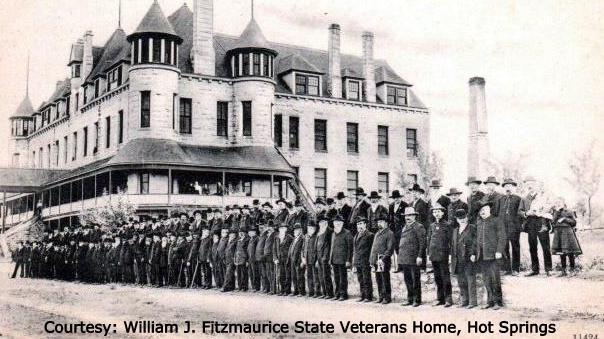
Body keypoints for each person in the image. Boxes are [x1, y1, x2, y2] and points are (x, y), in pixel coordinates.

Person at [519, 177, 553, 276]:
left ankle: (548, 269)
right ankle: (535, 269)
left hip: (542, 222)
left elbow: (549, 208)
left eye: (532, 184)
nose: (530, 186)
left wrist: (542, 211)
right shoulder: (524, 198)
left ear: (535, 185)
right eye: (527, 184)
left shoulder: (542, 196)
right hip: (530, 223)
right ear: (525, 186)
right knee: (532, 246)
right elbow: (520, 211)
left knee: (545, 246)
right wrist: (526, 213)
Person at [475, 200, 506, 310]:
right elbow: (476, 240)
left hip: (493, 255)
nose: (482, 212)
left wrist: (499, 251)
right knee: (486, 279)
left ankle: (498, 302)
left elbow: (502, 237)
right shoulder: (478, 223)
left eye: (484, 209)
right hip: (482, 256)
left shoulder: (496, 221)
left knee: (495, 278)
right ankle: (490, 301)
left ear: (489, 210)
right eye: (480, 210)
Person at [398, 207, 426, 307]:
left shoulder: (419, 227)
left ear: (414, 216)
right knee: (407, 279)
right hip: (405, 258)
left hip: (414, 258)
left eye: (410, 215)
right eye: (406, 216)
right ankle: (410, 299)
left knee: (415, 280)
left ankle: (417, 300)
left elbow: (422, 243)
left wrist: (420, 256)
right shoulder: (404, 227)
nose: (408, 217)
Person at [427, 203, 453, 307]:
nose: (437, 213)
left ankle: (448, 299)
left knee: (445, 277)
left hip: (443, 255)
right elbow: (429, 240)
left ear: (442, 213)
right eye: (435, 212)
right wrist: (429, 253)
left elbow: (451, 241)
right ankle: (440, 298)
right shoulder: (432, 226)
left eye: (439, 211)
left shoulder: (447, 225)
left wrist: (450, 255)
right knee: (437, 277)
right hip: (434, 255)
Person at [450, 209, 478, 308]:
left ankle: (472, 302)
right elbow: (453, 245)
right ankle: (465, 300)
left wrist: (473, 253)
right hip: (457, 259)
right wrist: (452, 257)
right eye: (459, 218)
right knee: (461, 280)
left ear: (467, 218)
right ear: (457, 219)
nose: (462, 220)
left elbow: (475, 242)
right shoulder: (455, 230)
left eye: (463, 217)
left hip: (468, 258)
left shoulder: (472, 228)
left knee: (470, 279)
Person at [551, 201, 582, 276]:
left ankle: (572, 270)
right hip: (559, 232)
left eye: (560, 203)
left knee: (570, 251)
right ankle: (563, 271)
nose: (558, 205)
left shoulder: (570, 211)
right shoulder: (556, 212)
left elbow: (574, 222)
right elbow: (553, 222)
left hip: (567, 232)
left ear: (564, 204)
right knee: (561, 252)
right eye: (557, 204)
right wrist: (557, 213)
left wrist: (565, 219)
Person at [370, 213, 395, 304]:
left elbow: (390, 248)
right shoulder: (377, 233)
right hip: (376, 260)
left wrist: (383, 258)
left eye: (381, 222)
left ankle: (387, 297)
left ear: (386, 223)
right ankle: (381, 296)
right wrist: (372, 260)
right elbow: (373, 248)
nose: (379, 224)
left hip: (384, 260)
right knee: (378, 279)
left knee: (385, 279)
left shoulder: (389, 233)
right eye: (378, 222)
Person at [499, 178, 522, 275]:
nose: (508, 188)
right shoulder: (501, 199)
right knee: (504, 247)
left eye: (510, 186)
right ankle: (507, 268)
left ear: (513, 187)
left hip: (514, 227)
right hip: (503, 227)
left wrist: (518, 226)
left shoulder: (518, 199)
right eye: (506, 186)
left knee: (515, 247)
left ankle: (516, 269)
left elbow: (520, 213)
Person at [330, 215, 354, 301]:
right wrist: (330, 259)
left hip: (343, 260)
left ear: (342, 223)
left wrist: (348, 260)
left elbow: (350, 248)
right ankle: (337, 294)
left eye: (339, 223)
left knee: (342, 279)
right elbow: (332, 247)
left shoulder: (347, 233)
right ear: (333, 223)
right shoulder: (333, 234)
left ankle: (343, 295)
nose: (337, 224)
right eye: (336, 223)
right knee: (336, 278)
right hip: (334, 259)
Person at [352, 216, 375, 302]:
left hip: (366, 261)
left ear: (365, 224)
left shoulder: (370, 235)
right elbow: (354, 250)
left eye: (361, 223)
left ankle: (368, 296)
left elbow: (372, 250)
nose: (359, 226)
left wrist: (371, 261)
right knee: (360, 279)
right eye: (358, 224)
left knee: (366, 279)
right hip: (358, 261)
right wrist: (354, 263)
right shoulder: (356, 236)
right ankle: (362, 295)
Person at [316, 216, 334, 299]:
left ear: (326, 223)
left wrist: (325, 257)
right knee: (320, 275)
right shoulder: (319, 232)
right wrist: (317, 258)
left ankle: (329, 293)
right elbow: (316, 245)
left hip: (325, 257)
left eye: (323, 222)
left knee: (326, 275)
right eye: (320, 222)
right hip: (319, 256)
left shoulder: (329, 231)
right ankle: (324, 292)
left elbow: (329, 245)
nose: (321, 224)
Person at [303, 220, 320, 297]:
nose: (310, 229)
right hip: (307, 259)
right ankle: (311, 291)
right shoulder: (306, 236)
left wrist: (317, 260)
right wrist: (303, 257)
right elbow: (303, 248)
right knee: (309, 276)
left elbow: (318, 249)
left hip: (314, 259)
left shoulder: (317, 236)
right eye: (309, 227)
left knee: (316, 276)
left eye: (312, 228)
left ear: (315, 228)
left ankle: (317, 292)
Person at [274, 223, 293, 295]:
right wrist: (275, 258)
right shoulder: (276, 237)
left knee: (287, 274)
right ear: (279, 229)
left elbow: (291, 249)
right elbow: (274, 249)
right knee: (281, 275)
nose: (282, 229)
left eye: (284, 228)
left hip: (287, 259)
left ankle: (287, 290)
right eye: (281, 228)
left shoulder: (289, 237)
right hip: (279, 259)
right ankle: (281, 290)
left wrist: (289, 257)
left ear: (286, 229)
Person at [288, 223, 306, 296]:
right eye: (295, 230)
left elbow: (303, 250)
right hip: (292, 260)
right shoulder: (295, 238)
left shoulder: (302, 238)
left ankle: (301, 291)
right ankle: (296, 291)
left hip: (299, 260)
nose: (295, 231)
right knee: (294, 276)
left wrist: (302, 260)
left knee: (300, 276)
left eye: (297, 229)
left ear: (300, 230)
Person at [263, 220, 278, 294]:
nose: (269, 228)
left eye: (271, 227)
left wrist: (274, 257)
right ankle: (269, 288)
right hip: (266, 256)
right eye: (268, 227)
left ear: (274, 227)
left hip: (271, 256)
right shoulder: (267, 235)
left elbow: (274, 247)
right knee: (268, 273)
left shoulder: (275, 235)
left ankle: (273, 289)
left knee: (272, 273)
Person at [247, 224, 261, 291]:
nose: (249, 233)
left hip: (254, 260)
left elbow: (258, 249)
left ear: (255, 232)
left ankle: (256, 287)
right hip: (250, 259)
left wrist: (256, 258)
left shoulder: (257, 238)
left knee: (255, 274)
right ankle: (253, 286)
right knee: (251, 273)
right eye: (249, 232)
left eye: (251, 231)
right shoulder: (251, 239)